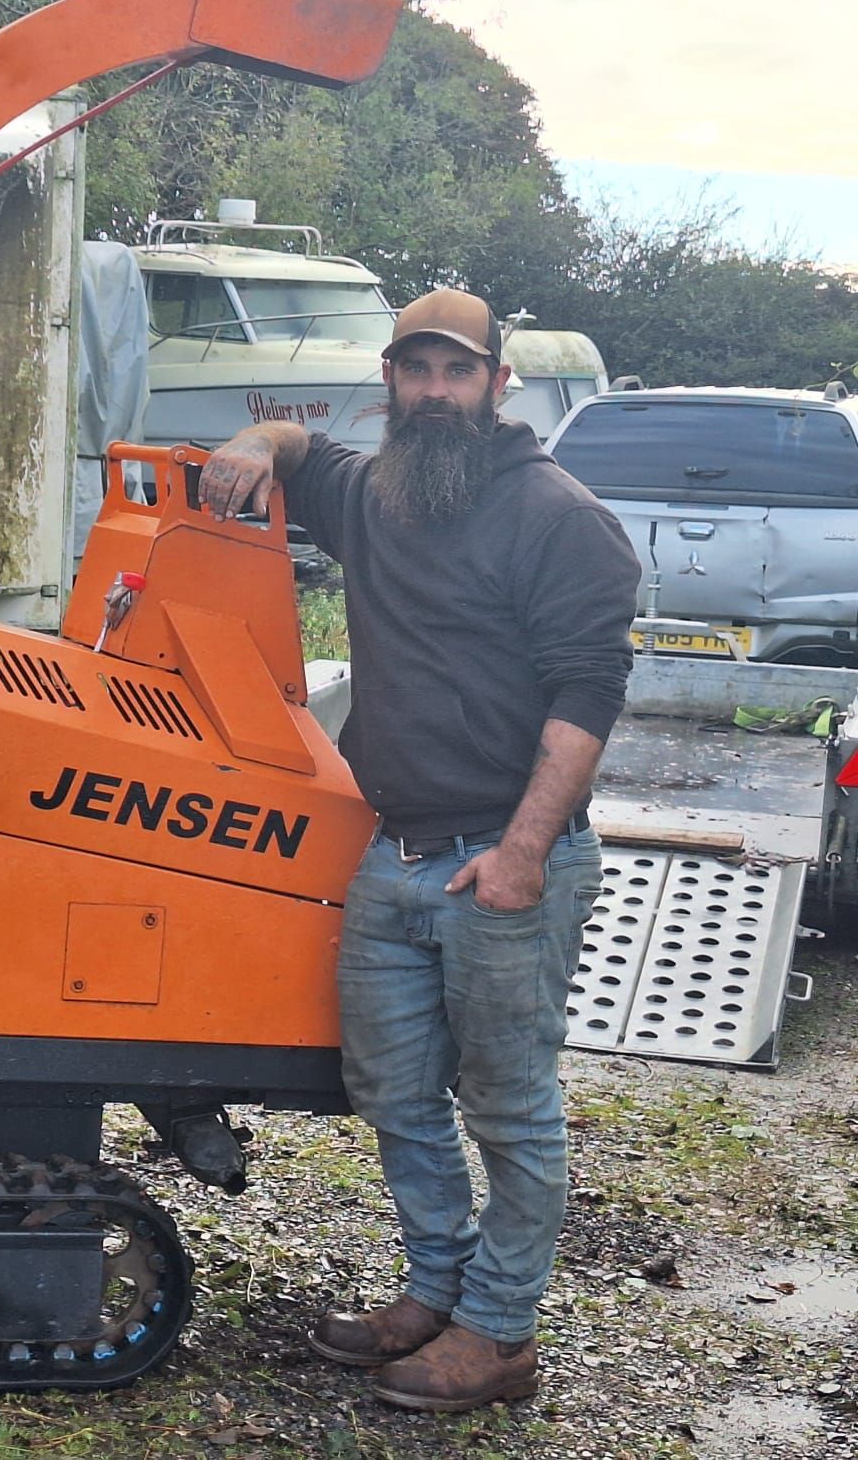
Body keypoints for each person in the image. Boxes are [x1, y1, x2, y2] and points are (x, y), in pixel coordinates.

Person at [199, 288, 639, 1413]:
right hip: (395, 856)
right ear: (390, 383)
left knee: (509, 1105)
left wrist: (526, 851)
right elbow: (303, 449)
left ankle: (499, 1333)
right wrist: (259, 438)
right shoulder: (377, 495)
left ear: (499, 384)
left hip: (502, 860)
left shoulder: (558, 516)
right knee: (393, 1091)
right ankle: (436, 1291)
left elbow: (589, 695)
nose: (434, 392)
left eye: (457, 372)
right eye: (415, 371)